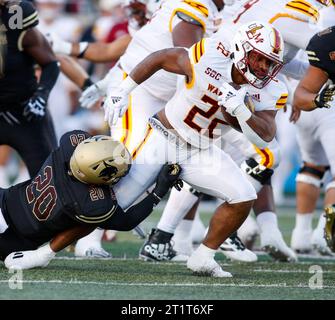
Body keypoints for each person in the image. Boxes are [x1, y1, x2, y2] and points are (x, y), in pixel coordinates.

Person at [102, 21, 287, 277]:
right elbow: (163, 57)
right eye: (259, 59)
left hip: (201, 148)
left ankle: (203, 257)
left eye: (270, 63)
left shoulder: (271, 87)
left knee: (243, 195)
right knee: (114, 204)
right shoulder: (210, 54)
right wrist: (123, 90)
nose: (264, 68)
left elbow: (266, 135)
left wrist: (243, 111)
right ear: (242, 50)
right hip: (164, 138)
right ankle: (49, 247)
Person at [2, 129, 182, 269]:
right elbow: (127, 221)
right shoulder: (91, 204)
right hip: (16, 235)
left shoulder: (69, 144)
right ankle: (41, 256)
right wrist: (160, 189)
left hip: (6, 198)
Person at [0, 0, 59, 178]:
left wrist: (41, 96)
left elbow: (50, 64)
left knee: (49, 179)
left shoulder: (15, 17)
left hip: (23, 112)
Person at [290, 25, 335, 254]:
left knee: (312, 166)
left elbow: (300, 93)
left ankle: (302, 234)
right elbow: (303, 93)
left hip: (313, 107)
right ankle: (323, 235)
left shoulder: (325, 37)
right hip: (329, 107)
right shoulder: (328, 40)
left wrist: (306, 101)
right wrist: (316, 101)